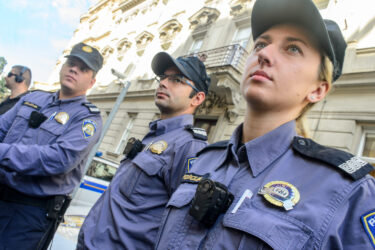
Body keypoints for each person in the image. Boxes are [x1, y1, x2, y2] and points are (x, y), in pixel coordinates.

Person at [154, 0, 375, 249]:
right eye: (260, 44)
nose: (264, 54)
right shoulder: (205, 160)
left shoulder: (348, 194)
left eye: (292, 49)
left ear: (318, 89)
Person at [77, 52, 211, 249]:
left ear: (197, 98)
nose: (164, 83)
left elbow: (184, 228)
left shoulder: (190, 146)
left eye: (177, 80)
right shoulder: (155, 135)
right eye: (163, 77)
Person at [0, 42, 103, 249]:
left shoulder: (88, 119)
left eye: (83, 69)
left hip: (28, 212)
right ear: (63, 67)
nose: (74, 69)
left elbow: (58, 159)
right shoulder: (33, 98)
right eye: (71, 63)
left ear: (91, 82)